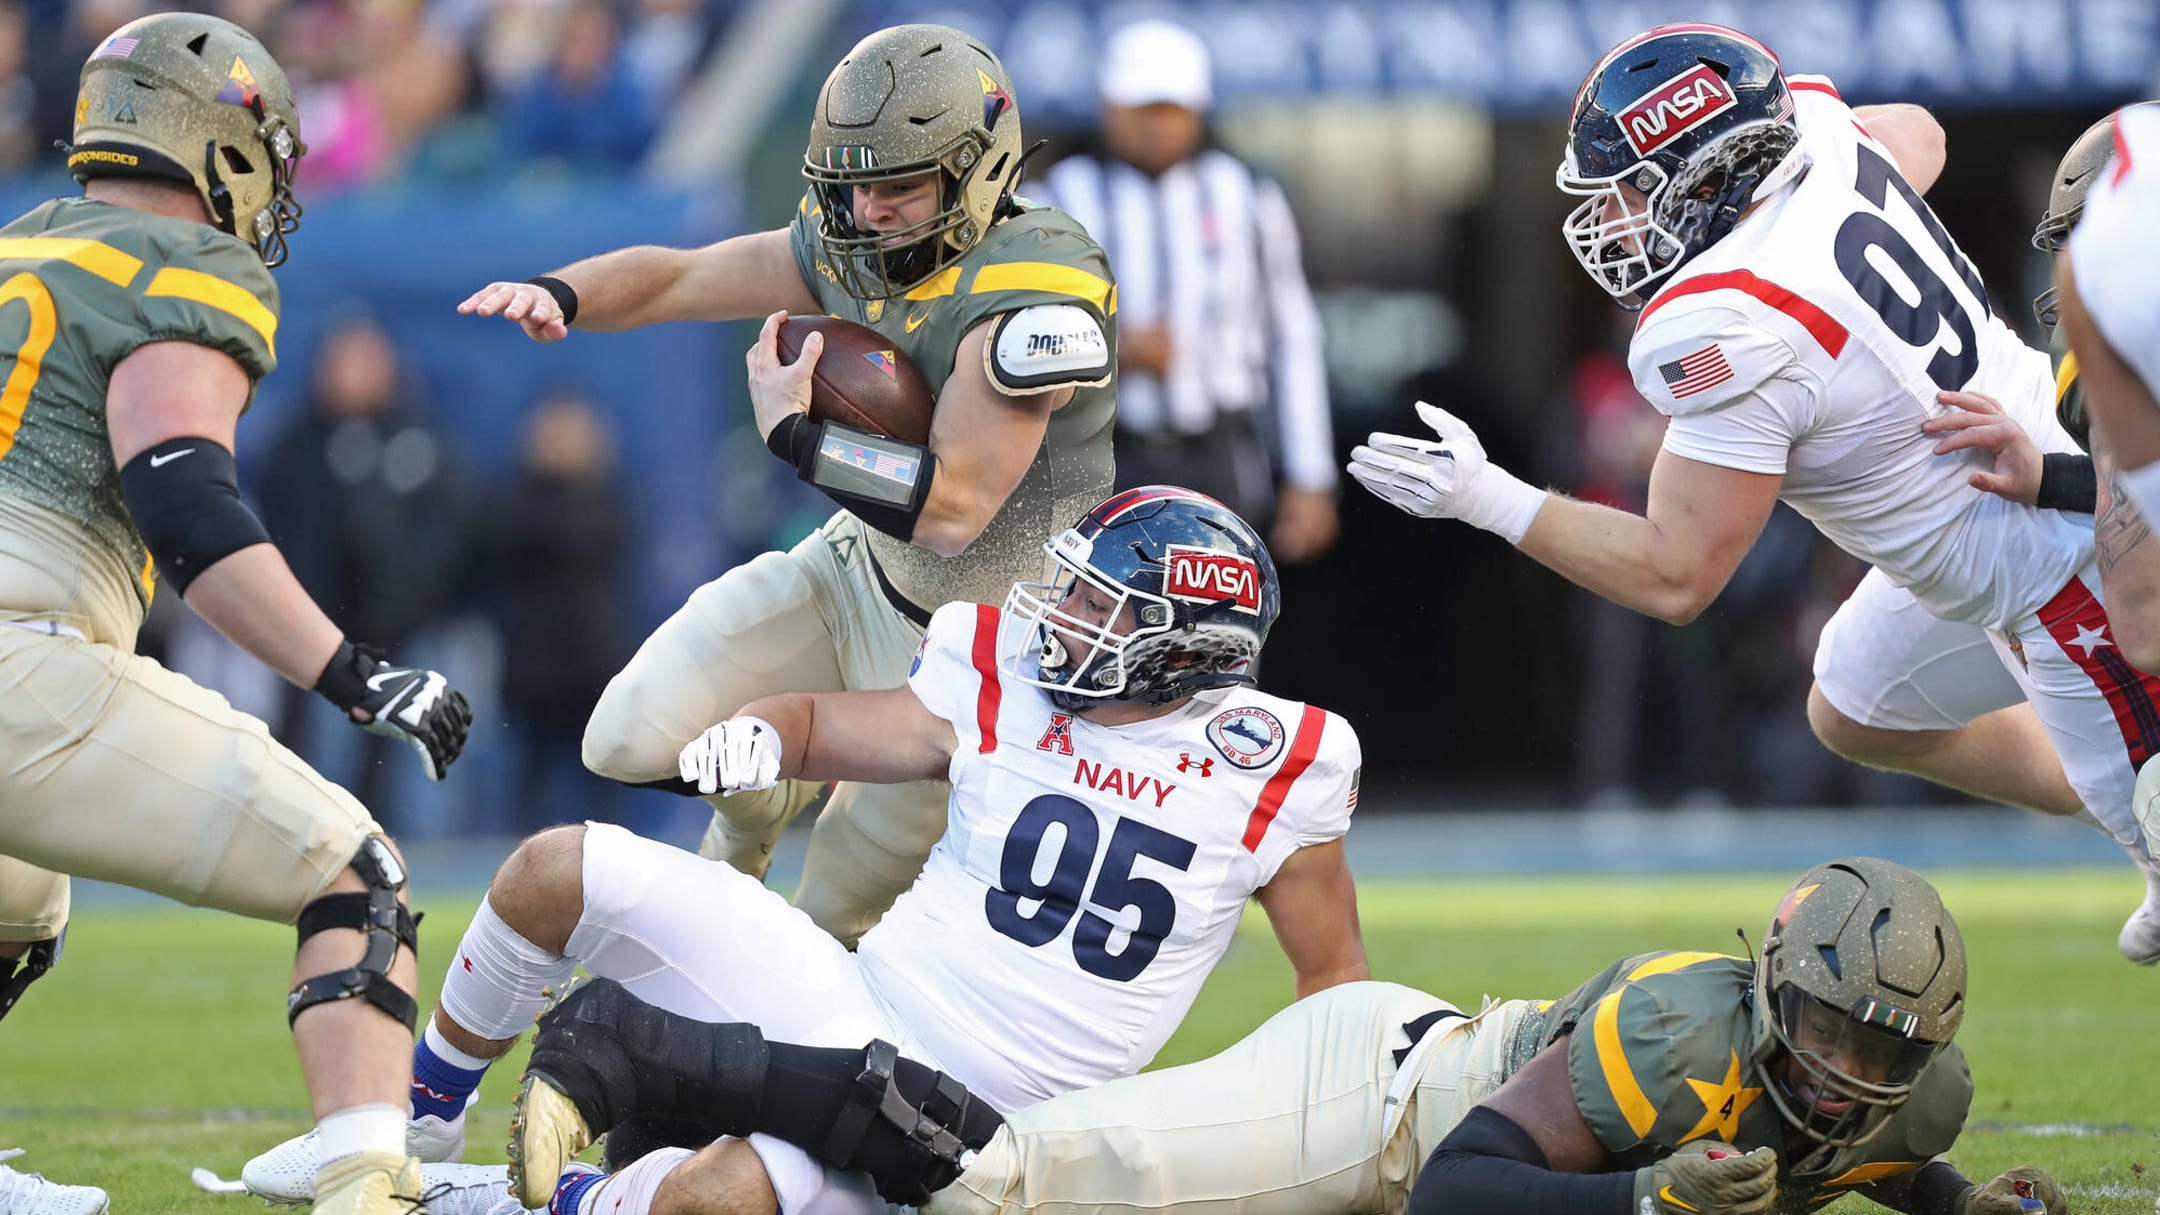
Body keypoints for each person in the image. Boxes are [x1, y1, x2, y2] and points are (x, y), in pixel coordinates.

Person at [243, 487, 1369, 1214]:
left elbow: (1333, 988)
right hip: (848, 995)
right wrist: (761, 733)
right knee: (555, 869)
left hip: (975, 1124)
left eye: (1101, 607)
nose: (1064, 617)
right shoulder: (1008, 678)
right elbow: (827, 726)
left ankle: (543, 1201)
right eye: (1072, 591)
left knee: (709, 1205)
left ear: (1184, 648)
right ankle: (414, 1127)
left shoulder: (1279, 761)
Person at [1346, 23, 2158, 956]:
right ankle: (2092, 767)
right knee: (1854, 702)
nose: (1608, 223)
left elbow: (1675, 575)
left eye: (1629, 195)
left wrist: (1486, 498)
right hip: (1995, 489)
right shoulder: (1815, 141)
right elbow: (1920, 133)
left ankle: (2132, 798)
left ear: (1708, 177)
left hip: (2049, 573)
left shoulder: (1729, 319)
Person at [456, 22, 1118, 948]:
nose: (872, 211)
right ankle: (755, 808)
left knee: (823, 927)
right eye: (854, 186)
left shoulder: (1039, 288)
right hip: (858, 570)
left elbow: (958, 511)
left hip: (977, 657)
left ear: (979, 169)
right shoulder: (850, 236)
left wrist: (799, 437)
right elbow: (679, 278)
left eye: (898, 186)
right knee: (626, 735)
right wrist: (561, 292)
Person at [0, 13, 473, 1214]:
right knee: (353, 871)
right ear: (218, 146)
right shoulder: (186, 266)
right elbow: (189, 510)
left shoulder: (21, 247)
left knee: (15, 899)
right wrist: (356, 674)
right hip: (19, 656)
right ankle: (368, 1173)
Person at [497, 856, 2063, 1215]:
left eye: (1884, 1048)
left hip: (1429, 1103)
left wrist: (1962, 1203)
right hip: (1383, 1101)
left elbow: (1865, 1152)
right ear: (1769, 981)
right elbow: (1466, 1184)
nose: (1851, 1068)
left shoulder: (1911, 1092)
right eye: (1832, 1034)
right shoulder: (1679, 1032)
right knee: (996, 1187)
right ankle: (645, 1045)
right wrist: (1644, 1200)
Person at [1800, 106, 2160, 962]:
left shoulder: (2119, 313)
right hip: (2074, 540)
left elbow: (2144, 614)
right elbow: (2136, 499)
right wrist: (2053, 476)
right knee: (1854, 701)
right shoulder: (2105, 350)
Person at [1034, 20, 1339, 563]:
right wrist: (1113, 351)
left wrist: (1309, 473)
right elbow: (1015, 334)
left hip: (1218, 449)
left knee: (1222, 626)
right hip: (1097, 454)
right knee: (1089, 620)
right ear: (1109, 104)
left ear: (1197, 110)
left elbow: (1291, 336)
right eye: (1142, 108)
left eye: (1170, 108)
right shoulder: (1053, 200)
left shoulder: (1246, 197)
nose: (1157, 125)